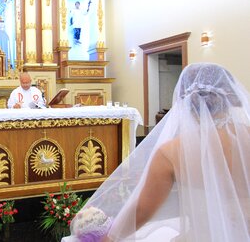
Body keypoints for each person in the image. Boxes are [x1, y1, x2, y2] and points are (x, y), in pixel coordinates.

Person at [64, 63, 250, 241]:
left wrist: (110, 237)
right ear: (231, 96)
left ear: (185, 102)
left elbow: (142, 210)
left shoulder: (172, 152)